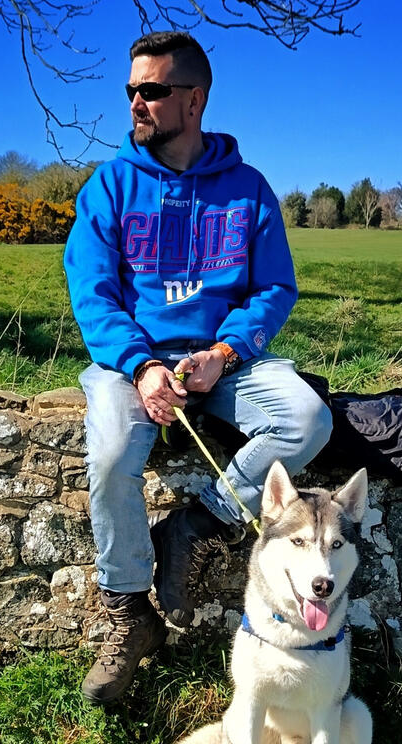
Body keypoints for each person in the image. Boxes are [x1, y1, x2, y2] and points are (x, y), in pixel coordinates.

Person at [64, 30, 332, 704]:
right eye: (131, 91)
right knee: (113, 451)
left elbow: (274, 289)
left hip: (223, 362)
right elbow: (91, 292)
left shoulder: (247, 189)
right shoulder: (110, 187)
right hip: (131, 362)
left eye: (151, 90)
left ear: (194, 99)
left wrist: (224, 353)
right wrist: (141, 365)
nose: (135, 103)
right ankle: (128, 612)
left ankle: (198, 523)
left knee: (307, 418)